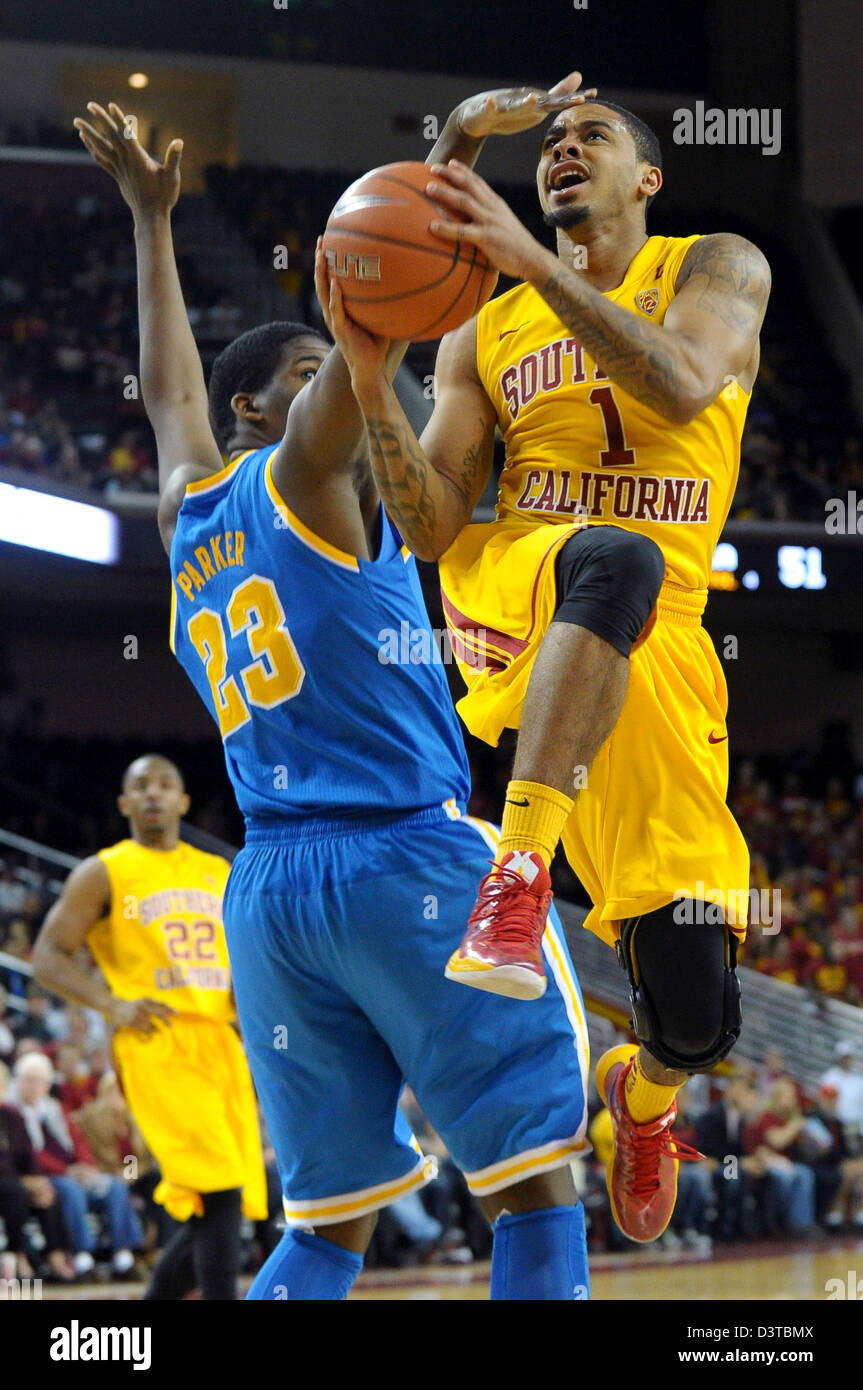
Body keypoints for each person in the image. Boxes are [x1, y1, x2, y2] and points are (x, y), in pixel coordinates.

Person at [69, 77, 598, 1303]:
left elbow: (168, 398)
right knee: (531, 1174)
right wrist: (449, 155)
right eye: (311, 376)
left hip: (271, 894)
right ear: (266, 407)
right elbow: (370, 307)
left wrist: (153, 222)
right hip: (400, 860)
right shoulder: (302, 478)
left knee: (326, 1227)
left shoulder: (185, 507)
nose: (347, 395)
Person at [322, 95, 771, 1243]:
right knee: (603, 558)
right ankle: (513, 879)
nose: (562, 148)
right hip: (517, 587)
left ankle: (639, 1094)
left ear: (646, 181)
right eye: (549, 141)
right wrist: (376, 381)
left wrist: (527, 259)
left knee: (695, 1016)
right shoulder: (485, 324)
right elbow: (425, 527)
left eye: (591, 137)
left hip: (657, 636)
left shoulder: (716, 266)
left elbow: (680, 386)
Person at [32, 753, 267, 1300]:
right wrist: (113, 1005)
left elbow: (243, 968)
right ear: (124, 803)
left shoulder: (217, 871)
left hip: (220, 1042)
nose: (154, 795)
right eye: (141, 787)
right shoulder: (105, 870)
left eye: (165, 785)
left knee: (217, 1201)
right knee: (221, 1190)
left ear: (184, 802)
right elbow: (48, 956)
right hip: (154, 1040)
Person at [8, 1051, 142, 1278]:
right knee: (73, 1190)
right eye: (29, 1080)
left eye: (40, 1081)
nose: (34, 1087)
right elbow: (32, 1153)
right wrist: (73, 1170)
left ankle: (124, 1254)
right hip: (52, 1174)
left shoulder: (131, 1119)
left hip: (110, 1171)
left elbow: (131, 1155)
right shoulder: (94, 1117)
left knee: (118, 1187)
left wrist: (89, 1166)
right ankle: (83, 1256)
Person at [0, 1057, 75, 1282]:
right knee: (16, 1192)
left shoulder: (12, 1116)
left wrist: (37, 1180)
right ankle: (18, 1254)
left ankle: (56, 1256)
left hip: (17, 1180)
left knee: (49, 1191)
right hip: (9, 1183)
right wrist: (25, 1181)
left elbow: (28, 1155)